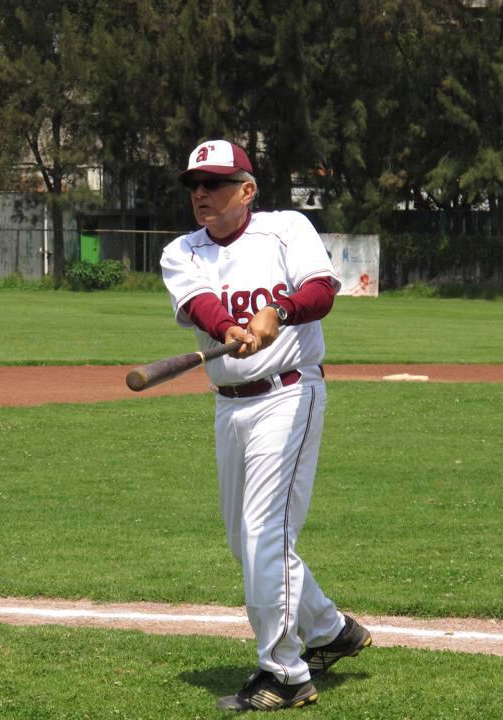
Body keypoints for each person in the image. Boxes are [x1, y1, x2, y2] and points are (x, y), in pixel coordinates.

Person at [159, 140, 372, 712]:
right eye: (194, 185)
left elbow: (321, 291)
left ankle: (285, 673)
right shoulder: (181, 251)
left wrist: (280, 311)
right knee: (246, 540)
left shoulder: (286, 229)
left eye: (214, 183)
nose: (201, 193)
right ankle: (329, 630)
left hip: (289, 394)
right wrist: (230, 328)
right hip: (229, 405)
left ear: (247, 190)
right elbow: (200, 306)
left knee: (263, 535)